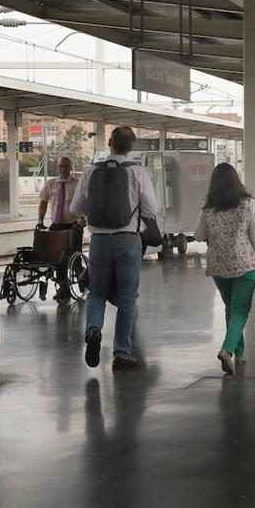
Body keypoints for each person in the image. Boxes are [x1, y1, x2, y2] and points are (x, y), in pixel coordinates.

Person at [70, 125, 159, 370]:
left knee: (97, 292)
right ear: (131, 147)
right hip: (128, 240)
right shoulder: (137, 172)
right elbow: (152, 209)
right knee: (127, 298)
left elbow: (75, 210)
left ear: (109, 142)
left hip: (98, 242)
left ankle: (94, 331)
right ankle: (121, 353)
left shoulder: (90, 171)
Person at [194, 163, 255, 375]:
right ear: (236, 181)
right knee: (240, 310)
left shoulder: (208, 208)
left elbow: (198, 236)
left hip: (219, 265)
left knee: (231, 307)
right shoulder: (248, 204)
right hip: (245, 264)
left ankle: (240, 354)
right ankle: (227, 349)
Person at [37, 156, 83, 303]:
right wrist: (40, 220)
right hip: (56, 225)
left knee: (73, 256)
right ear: (57, 168)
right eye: (60, 166)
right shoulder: (51, 184)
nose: (63, 169)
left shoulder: (77, 184)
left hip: (73, 226)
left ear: (70, 168)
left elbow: (85, 203)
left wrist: (83, 219)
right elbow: (43, 202)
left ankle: (81, 276)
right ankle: (62, 289)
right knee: (58, 259)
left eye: (66, 166)